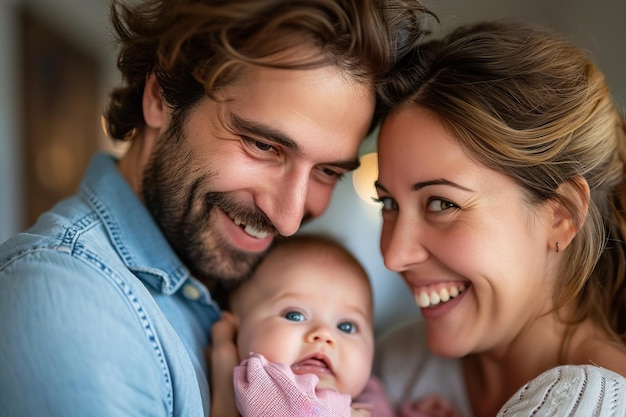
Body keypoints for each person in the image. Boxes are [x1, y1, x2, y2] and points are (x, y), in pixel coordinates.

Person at [0, 0, 433, 415]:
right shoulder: (69, 301)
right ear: (160, 97)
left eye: (327, 172)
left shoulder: (245, 277)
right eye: (263, 145)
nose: (287, 220)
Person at [372, 21, 626, 417]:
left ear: (561, 215)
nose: (393, 255)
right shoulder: (396, 363)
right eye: (388, 204)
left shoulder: (593, 403)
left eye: (441, 204)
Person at [209, 234, 461, 417]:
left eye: (347, 327)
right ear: (234, 329)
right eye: (295, 315)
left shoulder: (371, 392)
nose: (324, 335)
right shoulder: (261, 387)